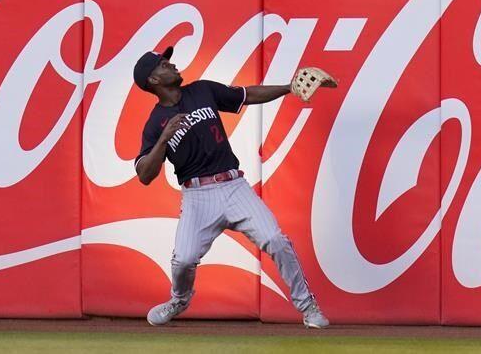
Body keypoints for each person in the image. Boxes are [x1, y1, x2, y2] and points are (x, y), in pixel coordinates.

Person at [133, 46, 332, 329]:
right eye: (164, 65)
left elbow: (246, 95)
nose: (172, 65)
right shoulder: (155, 124)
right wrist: (164, 138)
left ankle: (308, 306)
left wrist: (289, 88)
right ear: (153, 80)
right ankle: (179, 299)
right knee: (184, 261)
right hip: (197, 196)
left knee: (275, 240)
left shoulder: (201, 90)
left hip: (233, 185)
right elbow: (144, 174)